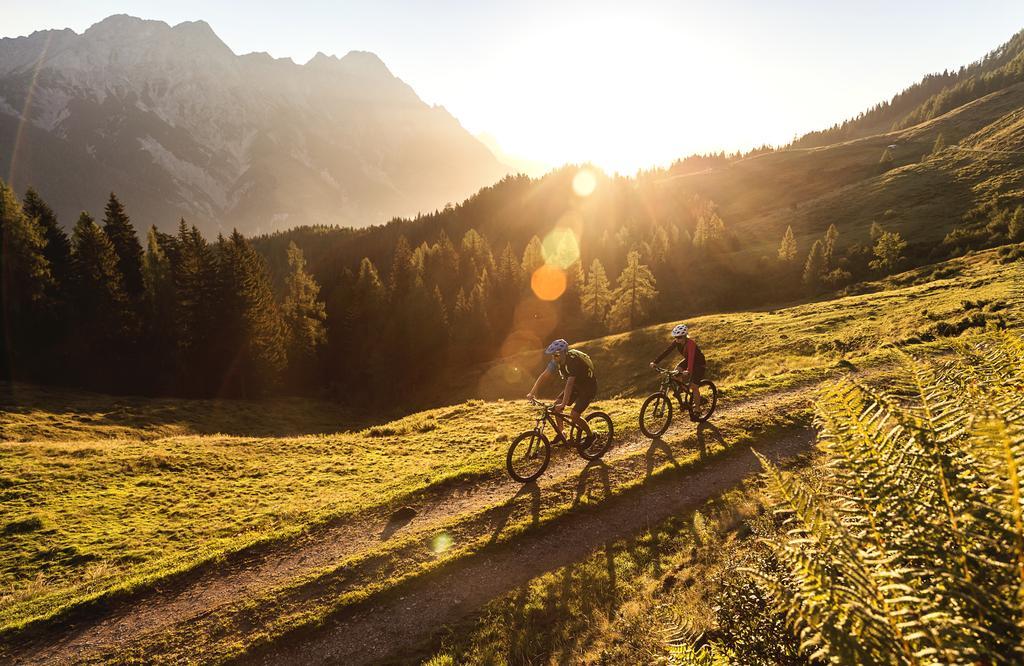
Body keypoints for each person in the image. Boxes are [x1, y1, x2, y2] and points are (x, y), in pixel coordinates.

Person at [527, 338, 597, 444]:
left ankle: (591, 436)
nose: (554, 357)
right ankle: (562, 433)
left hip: (588, 387)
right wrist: (532, 392)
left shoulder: (573, 362)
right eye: (553, 355)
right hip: (576, 386)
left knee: (574, 415)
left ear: (564, 353)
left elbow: (569, 384)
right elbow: (544, 375)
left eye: (556, 355)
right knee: (556, 407)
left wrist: (564, 404)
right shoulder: (557, 361)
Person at [650, 324, 706, 416]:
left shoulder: (690, 343)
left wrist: (688, 370)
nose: (677, 339)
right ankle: (682, 391)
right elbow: (667, 351)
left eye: (679, 337)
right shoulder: (676, 342)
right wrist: (655, 362)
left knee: (694, 387)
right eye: (676, 337)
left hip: (699, 364)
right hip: (688, 361)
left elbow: (691, 358)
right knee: (675, 373)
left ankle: (698, 409)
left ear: (685, 336)